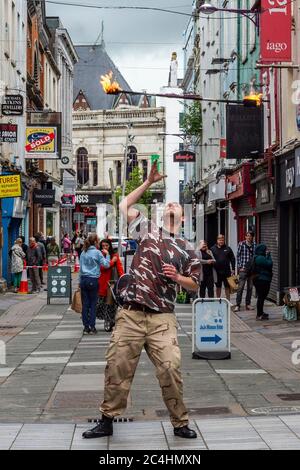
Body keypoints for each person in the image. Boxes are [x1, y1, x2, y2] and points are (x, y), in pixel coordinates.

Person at [82, 162, 201, 441]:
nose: (171, 205)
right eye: (168, 204)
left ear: (182, 219)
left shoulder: (187, 249)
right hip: (131, 315)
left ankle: (180, 422)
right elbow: (123, 205)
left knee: (171, 367)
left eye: (176, 206)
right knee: (117, 366)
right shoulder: (146, 230)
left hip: (162, 319)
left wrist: (178, 278)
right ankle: (107, 419)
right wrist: (148, 183)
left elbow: (195, 283)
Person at [80, 234, 111, 335]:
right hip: (93, 280)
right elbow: (106, 265)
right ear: (96, 242)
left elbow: (80, 269)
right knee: (93, 304)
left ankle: (86, 327)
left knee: (85, 304)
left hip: (84, 279)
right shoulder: (97, 253)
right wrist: (108, 255)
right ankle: (92, 327)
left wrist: (80, 282)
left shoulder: (83, 252)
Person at [97, 239, 124, 331]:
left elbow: (120, 268)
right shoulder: (100, 255)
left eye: (106, 246)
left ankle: (110, 320)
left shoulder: (115, 255)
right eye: (103, 246)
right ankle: (108, 320)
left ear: (110, 246)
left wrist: (122, 280)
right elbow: (103, 267)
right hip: (102, 283)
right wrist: (112, 261)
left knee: (111, 303)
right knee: (103, 304)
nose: (104, 248)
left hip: (112, 283)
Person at [234, 231, 256, 312]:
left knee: (250, 288)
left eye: (250, 236)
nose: (248, 237)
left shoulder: (254, 245)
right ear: (245, 237)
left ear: (252, 237)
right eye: (247, 236)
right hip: (243, 269)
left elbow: (255, 256)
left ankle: (248, 304)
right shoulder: (241, 244)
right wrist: (240, 267)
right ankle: (237, 305)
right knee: (240, 288)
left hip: (251, 270)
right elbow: (238, 256)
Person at [211, 234, 236, 301]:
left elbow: (233, 259)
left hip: (226, 271)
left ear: (224, 240)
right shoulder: (212, 249)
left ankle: (228, 301)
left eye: (222, 240)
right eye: (220, 240)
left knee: (227, 287)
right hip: (217, 272)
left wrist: (233, 269)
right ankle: (218, 300)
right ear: (217, 240)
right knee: (218, 287)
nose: (221, 241)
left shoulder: (228, 248)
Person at [252, 244, 273, 321]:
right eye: (265, 249)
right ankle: (259, 315)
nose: (266, 250)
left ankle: (260, 312)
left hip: (260, 279)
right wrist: (269, 255)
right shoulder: (260, 258)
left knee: (261, 297)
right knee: (261, 297)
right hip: (262, 280)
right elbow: (269, 264)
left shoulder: (258, 257)